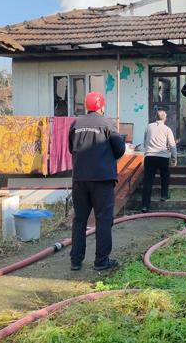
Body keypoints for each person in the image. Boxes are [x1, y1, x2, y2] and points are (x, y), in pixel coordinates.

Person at [68, 92, 125, 271]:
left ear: (86, 105)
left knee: (79, 220)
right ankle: (101, 261)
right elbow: (120, 149)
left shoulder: (76, 123)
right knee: (103, 220)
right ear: (101, 106)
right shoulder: (107, 123)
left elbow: (71, 148)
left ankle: (76, 261)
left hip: (79, 179)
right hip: (102, 179)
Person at [141, 110, 178, 213]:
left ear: (155, 117)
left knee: (148, 181)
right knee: (165, 176)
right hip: (163, 157)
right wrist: (174, 158)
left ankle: (145, 206)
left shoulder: (149, 127)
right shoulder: (167, 129)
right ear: (165, 118)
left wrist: (147, 150)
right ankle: (164, 195)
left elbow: (145, 141)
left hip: (149, 157)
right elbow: (172, 145)